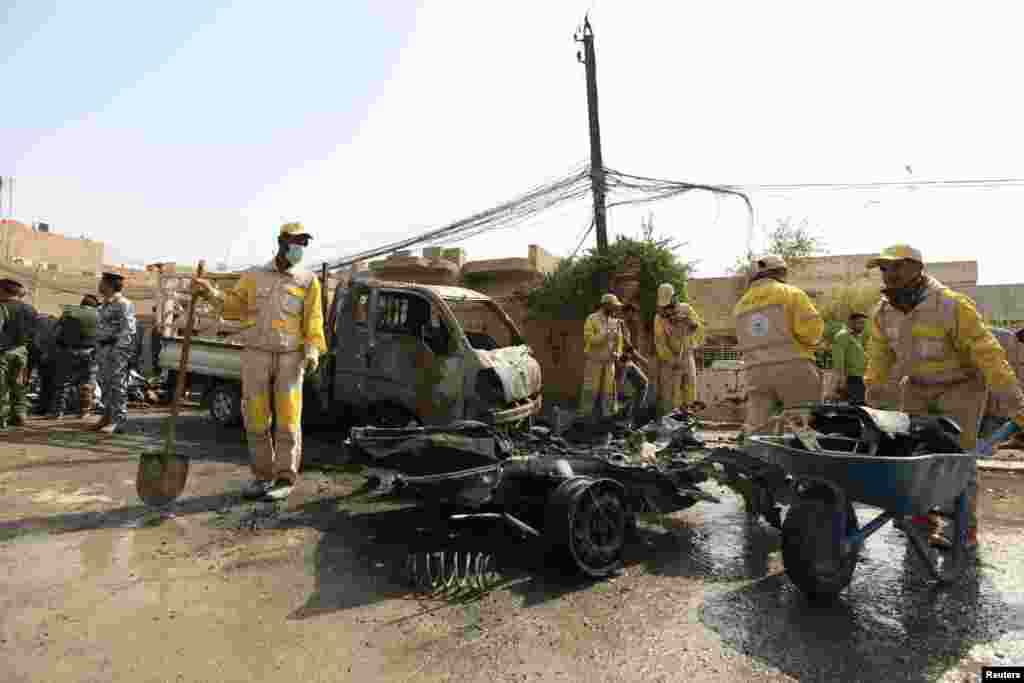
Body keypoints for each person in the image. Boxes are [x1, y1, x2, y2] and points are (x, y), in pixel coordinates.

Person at [864, 244, 1024, 549]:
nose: (889, 275)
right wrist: (873, 394)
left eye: (896, 267)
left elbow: (987, 353)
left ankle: (964, 527)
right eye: (884, 269)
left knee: (956, 458)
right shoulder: (884, 313)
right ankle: (923, 518)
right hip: (917, 386)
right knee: (911, 453)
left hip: (961, 387)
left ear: (917, 268)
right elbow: (879, 357)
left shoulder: (951, 305)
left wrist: (1014, 401)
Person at [192, 222, 326, 501]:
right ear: (281, 241)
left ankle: (285, 478)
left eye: (304, 243)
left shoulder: (307, 280)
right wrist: (209, 293)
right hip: (256, 354)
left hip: (291, 357)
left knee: (289, 420)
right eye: (296, 242)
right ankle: (262, 477)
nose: (300, 248)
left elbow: (313, 319)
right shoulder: (254, 276)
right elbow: (233, 307)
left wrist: (312, 350)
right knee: (255, 418)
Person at [733, 255, 825, 435]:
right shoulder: (791, 293)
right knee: (800, 422)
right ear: (781, 272)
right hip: (794, 365)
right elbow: (811, 332)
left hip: (755, 370)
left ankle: (756, 458)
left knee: (758, 425)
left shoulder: (740, 305)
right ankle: (798, 459)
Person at [92, 272, 137, 434]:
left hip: (115, 351)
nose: (99, 285)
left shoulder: (123, 304)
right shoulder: (104, 305)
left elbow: (128, 330)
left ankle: (119, 421)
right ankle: (107, 416)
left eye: (102, 282)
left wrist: (118, 352)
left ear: (109, 284)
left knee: (117, 386)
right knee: (104, 384)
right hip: (103, 350)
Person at [49, 295, 101, 419]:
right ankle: (84, 412)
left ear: (82, 303)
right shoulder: (99, 314)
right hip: (90, 352)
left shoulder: (69, 311)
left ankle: (58, 413)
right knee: (87, 383)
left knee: (63, 382)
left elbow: (55, 330)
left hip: (67, 351)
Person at [653, 283, 701, 418]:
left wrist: (688, 323)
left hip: (687, 356)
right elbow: (660, 343)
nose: (668, 310)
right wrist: (672, 360)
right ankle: (672, 422)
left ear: (675, 299)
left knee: (690, 387)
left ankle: (689, 420)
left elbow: (698, 329)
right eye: (665, 307)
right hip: (670, 361)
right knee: (671, 394)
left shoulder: (686, 310)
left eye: (669, 306)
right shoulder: (659, 319)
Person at [578, 293, 624, 422]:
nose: (615, 309)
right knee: (590, 390)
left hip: (610, 363)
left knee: (609, 391)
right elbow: (589, 339)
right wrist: (605, 334)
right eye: (613, 306)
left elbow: (619, 341)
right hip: (594, 361)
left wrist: (618, 353)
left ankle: (608, 419)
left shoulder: (615, 322)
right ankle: (585, 419)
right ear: (606, 305)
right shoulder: (591, 319)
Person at [0, 279, 38, 429]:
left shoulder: (2, 307)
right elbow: (35, 334)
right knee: (19, 385)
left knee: (2, 386)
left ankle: (1, 418)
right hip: (22, 351)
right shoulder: (31, 310)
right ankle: (20, 415)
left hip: (3, 352)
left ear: (3, 291)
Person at [616, 303, 650, 426]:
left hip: (627, 362)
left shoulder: (625, 325)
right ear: (628, 312)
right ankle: (617, 420)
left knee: (643, 384)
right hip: (620, 362)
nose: (634, 317)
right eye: (633, 314)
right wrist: (643, 361)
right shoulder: (619, 324)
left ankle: (629, 419)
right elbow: (628, 347)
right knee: (617, 391)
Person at [831, 312, 869, 405]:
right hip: (851, 378)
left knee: (861, 406)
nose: (863, 326)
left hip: (860, 377)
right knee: (858, 406)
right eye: (860, 323)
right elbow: (838, 359)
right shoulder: (842, 336)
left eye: (863, 323)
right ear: (851, 323)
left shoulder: (856, 337)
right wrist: (841, 379)